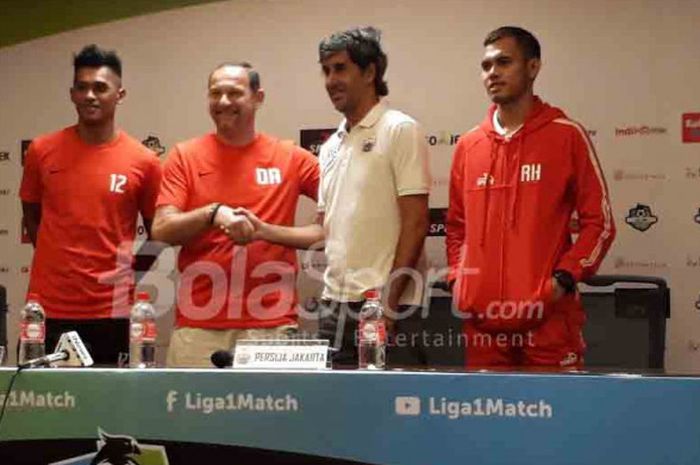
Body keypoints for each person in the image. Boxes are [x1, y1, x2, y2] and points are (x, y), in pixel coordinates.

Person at [446, 26, 616, 367]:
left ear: (533, 67)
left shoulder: (566, 135)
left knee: (557, 419)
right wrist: (459, 282)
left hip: (548, 322)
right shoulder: (469, 145)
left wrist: (563, 280)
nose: (492, 73)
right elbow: (456, 227)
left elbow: (600, 223)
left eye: (504, 62)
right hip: (483, 325)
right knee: (486, 419)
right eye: (486, 66)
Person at [151, 62, 319, 368]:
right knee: (192, 415)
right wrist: (213, 213)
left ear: (258, 97)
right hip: (198, 327)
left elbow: (334, 229)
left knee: (271, 416)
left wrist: (265, 231)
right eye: (216, 93)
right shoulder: (184, 156)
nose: (224, 102)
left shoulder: (291, 157)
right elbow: (161, 229)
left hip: (272, 325)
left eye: (234, 93)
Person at [19, 44, 162, 365]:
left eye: (100, 87)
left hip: (112, 312)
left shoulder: (144, 160)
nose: (90, 95)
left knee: (112, 410)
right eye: (82, 87)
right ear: (72, 93)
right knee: (41, 409)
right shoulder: (42, 150)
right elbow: (31, 213)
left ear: (120, 94)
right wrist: (56, 261)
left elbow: (160, 234)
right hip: (47, 309)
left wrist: (127, 275)